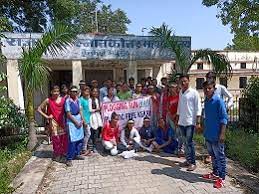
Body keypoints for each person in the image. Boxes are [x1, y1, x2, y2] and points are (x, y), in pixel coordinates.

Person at [202, 80, 228, 189]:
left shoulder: (218, 101)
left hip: (217, 135)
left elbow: (224, 118)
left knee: (220, 156)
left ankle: (221, 178)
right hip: (208, 134)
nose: (207, 90)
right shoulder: (206, 101)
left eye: (210, 88)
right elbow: (206, 117)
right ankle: (215, 173)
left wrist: (222, 134)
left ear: (214, 89)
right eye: (205, 88)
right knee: (212, 155)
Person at [176, 74, 202, 171]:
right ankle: (188, 160)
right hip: (181, 122)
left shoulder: (194, 93)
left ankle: (193, 163)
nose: (183, 83)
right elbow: (179, 107)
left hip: (190, 122)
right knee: (185, 143)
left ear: (188, 81)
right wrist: (177, 119)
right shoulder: (181, 92)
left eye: (185, 81)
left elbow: (198, 107)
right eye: (181, 81)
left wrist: (198, 122)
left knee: (189, 143)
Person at [37, 85, 68, 162]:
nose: (56, 93)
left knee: (63, 138)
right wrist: (47, 116)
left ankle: (63, 153)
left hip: (62, 121)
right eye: (54, 91)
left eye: (57, 91)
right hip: (53, 122)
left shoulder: (63, 100)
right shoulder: (48, 100)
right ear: (51, 92)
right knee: (56, 139)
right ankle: (57, 154)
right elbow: (39, 109)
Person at [65, 86, 85, 167]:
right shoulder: (67, 101)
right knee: (72, 141)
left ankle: (76, 154)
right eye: (73, 91)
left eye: (76, 91)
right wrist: (76, 122)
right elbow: (68, 114)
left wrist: (82, 120)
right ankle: (69, 158)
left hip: (78, 119)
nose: (74, 93)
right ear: (70, 92)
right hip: (71, 122)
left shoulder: (78, 100)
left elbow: (80, 110)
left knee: (80, 139)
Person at [167, 82, 184, 156]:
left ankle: (181, 149)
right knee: (175, 134)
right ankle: (177, 148)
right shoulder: (169, 97)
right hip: (171, 118)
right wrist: (170, 115)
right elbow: (168, 107)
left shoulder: (179, 97)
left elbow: (180, 108)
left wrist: (175, 115)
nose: (171, 89)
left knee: (179, 134)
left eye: (173, 87)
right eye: (170, 87)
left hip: (178, 118)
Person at [89, 87, 103, 153]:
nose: (95, 93)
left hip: (97, 117)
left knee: (97, 132)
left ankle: (95, 146)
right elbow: (89, 110)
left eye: (96, 92)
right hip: (92, 117)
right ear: (91, 92)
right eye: (94, 91)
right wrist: (96, 110)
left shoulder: (97, 100)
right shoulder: (89, 100)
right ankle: (91, 147)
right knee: (92, 132)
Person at [79, 87, 92, 156]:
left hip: (90, 119)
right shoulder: (80, 100)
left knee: (88, 134)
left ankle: (86, 148)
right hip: (85, 119)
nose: (87, 93)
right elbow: (80, 111)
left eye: (88, 91)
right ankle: (84, 149)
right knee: (88, 134)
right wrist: (83, 120)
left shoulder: (89, 99)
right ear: (83, 92)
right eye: (85, 91)